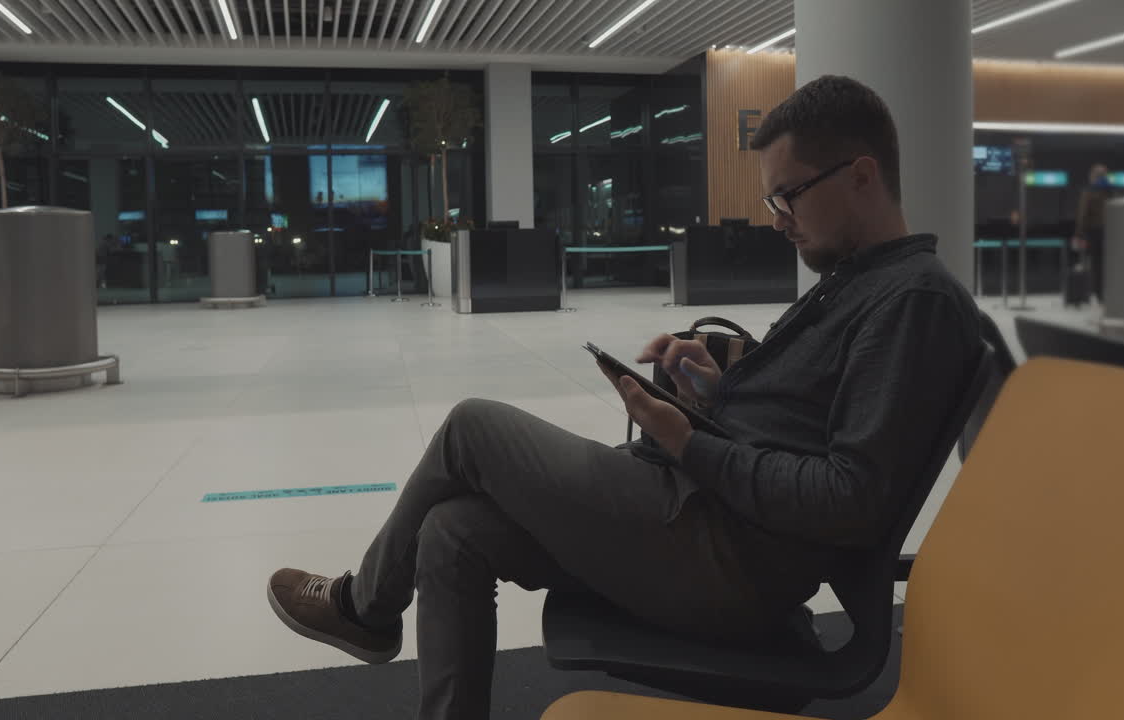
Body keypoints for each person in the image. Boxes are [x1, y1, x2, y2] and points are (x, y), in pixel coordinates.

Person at [266, 75, 982, 720]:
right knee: (452, 531)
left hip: (722, 561)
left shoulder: (912, 299)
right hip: (699, 524)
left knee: (471, 428)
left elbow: (846, 497)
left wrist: (686, 439)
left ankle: (363, 608)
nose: (776, 216)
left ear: (862, 175)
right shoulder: (860, 280)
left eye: (788, 193)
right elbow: (802, 421)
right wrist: (718, 385)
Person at [1073, 164, 1110, 302]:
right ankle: (1109, 292)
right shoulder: (1112, 191)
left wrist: (1078, 233)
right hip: (1112, 232)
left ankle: (1099, 294)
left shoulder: (1089, 191)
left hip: (1095, 232)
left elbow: (1083, 214)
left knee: (1096, 263)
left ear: (1093, 176)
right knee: (1109, 263)